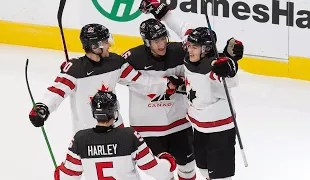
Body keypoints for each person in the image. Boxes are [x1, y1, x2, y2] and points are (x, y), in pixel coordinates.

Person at [139, 1, 243, 180]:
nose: (188, 49)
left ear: (207, 50)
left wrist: (230, 64)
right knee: (203, 170)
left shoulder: (213, 68)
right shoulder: (191, 53)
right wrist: (161, 12)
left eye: (194, 47)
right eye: (189, 45)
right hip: (199, 127)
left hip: (219, 130)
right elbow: (180, 26)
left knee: (220, 177)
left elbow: (231, 79)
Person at [28, 23, 180, 135]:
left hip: (116, 128)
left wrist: (165, 84)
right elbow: (57, 91)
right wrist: (43, 107)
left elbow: (140, 82)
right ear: (94, 46)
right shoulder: (75, 69)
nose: (109, 45)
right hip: (87, 133)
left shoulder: (116, 63)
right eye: (105, 42)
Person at [121, 18, 196, 180]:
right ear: (146, 42)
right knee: (163, 172)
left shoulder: (179, 52)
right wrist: (164, 85)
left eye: (163, 38)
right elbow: (114, 76)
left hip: (179, 123)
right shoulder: (132, 58)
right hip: (148, 128)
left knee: (188, 168)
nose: (161, 45)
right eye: (155, 41)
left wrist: (183, 84)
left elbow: (198, 70)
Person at [54, 90, 177, 180]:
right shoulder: (129, 136)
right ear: (114, 112)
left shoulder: (80, 139)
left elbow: (66, 177)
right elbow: (156, 171)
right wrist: (167, 161)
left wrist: (59, 173)